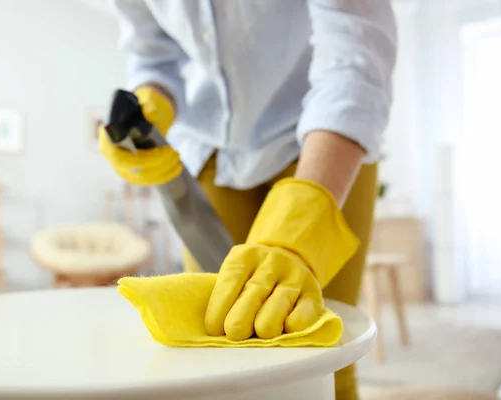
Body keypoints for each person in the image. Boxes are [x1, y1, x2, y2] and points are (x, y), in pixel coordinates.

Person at [100, 2, 397, 399]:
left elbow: (355, 50)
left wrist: (303, 218)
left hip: (322, 139)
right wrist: (154, 103)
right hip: (212, 147)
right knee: (215, 360)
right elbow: (152, 54)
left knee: (324, 364)